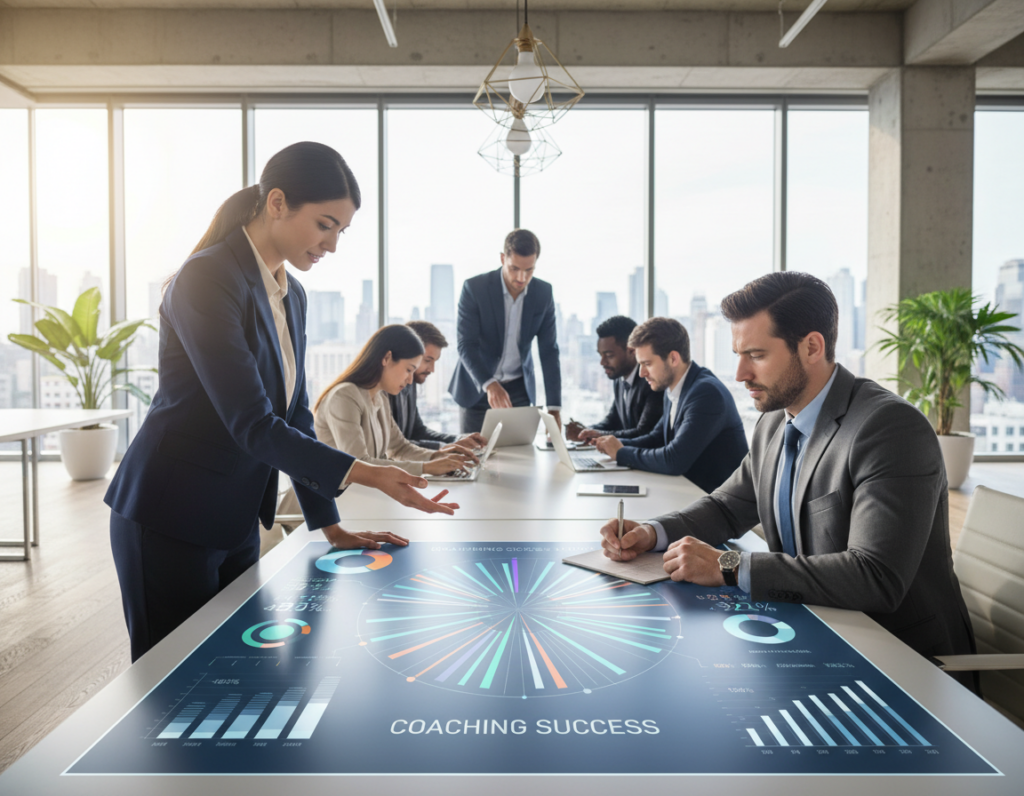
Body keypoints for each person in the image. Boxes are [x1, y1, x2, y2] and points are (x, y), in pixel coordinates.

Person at [105, 142, 457, 663]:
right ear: (276, 203)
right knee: (172, 682)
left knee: (234, 670)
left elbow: (294, 416)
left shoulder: (293, 295)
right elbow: (252, 422)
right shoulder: (207, 277)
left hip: (237, 514)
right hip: (170, 514)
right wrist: (366, 472)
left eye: (341, 231)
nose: (331, 244)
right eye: (324, 225)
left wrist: (330, 526)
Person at [599, 272, 976, 688]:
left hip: (901, 663)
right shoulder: (775, 422)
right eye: (738, 355)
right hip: (813, 632)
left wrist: (728, 565)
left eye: (756, 355)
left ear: (812, 347)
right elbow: (727, 507)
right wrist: (652, 533)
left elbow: (875, 577)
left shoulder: (889, 428)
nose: (740, 373)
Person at [592, 317, 748, 492]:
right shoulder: (673, 389)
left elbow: (674, 460)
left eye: (647, 364)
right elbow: (655, 439)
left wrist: (621, 453)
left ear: (673, 358)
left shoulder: (706, 393)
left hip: (720, 500)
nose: (642, 373)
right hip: (690, 492)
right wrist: (612, 444)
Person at [313, 324, 478, 476]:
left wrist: (438, 457)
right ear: (387, 358)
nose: (410, 380)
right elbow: (359, 464)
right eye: (408, 370)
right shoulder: (344, 396)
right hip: (337, 496)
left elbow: (400, 448)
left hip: (364, 493)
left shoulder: (380, 397)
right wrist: (426, 468)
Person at [448, 229, 561, 434]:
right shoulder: (475, 288)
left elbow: (549, 351)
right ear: (503, 258)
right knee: (474, 450)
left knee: (518, 450)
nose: (521, 277)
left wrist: (554, 407)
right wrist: (490, 384)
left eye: (529, 270)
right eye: (514, 268)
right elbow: (466, 345)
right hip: (478, 387)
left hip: (519, 390)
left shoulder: (543, 293)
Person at [390, 320, 487, 451]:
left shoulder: (410, 384)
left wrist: (458, 440)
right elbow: (395, 446)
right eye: (427, 360)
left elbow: (418, 431)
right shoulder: (386, 389)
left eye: (434, 362)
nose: (432, 369)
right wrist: (446, 447)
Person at [569, 315, 663, 443]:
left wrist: (598, 435)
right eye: (601, 355)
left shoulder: (651, 382)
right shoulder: (619, 379)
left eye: (609, 355)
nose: (602, 362)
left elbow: (643, 433)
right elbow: (613, 421)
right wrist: (585, 432)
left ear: (632, 351)